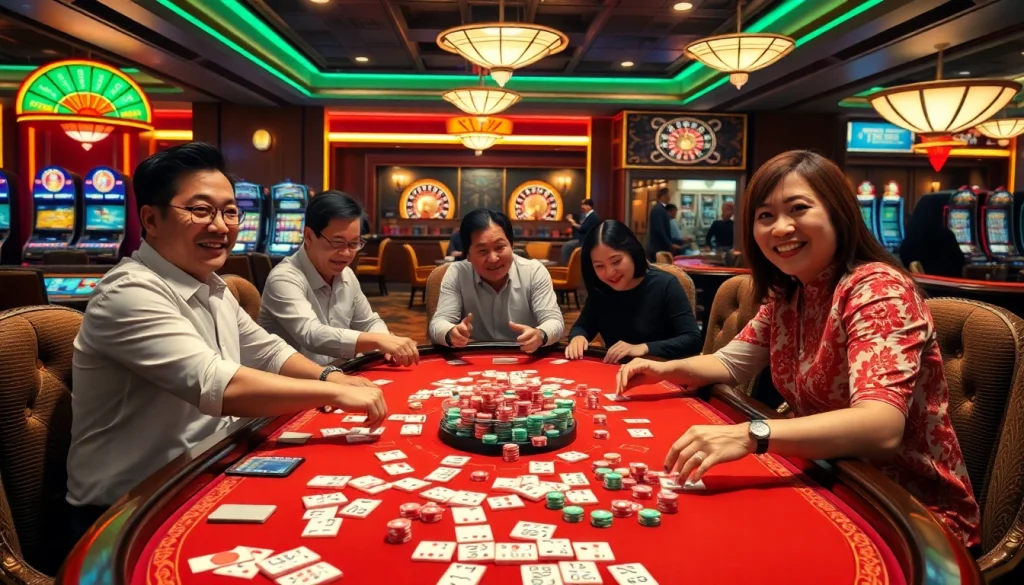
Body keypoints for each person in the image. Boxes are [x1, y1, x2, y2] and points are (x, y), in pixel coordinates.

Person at [617, 150, 979, 547]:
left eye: (798, 208)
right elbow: (730, 362)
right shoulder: (789, 292)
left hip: (909, 514)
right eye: (765, 215)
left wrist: (750, 434)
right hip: (827, 474)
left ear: (839, 212)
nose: (780, 228)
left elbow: (881, 427)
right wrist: (665, 369)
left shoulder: (877, 288)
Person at [67, 142, 387, 542]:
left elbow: (268, 350)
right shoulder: (129, 293)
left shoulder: (212, 285)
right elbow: (220, 384)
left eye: (230, 211)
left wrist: (331, 376)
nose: (221, 226)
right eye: (200, 210)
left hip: (203, 469)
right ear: (151, 218)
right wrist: (332, 392)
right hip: (129, 511)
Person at [259, 191, 419, 366]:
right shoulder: (284, 278)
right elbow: (311, 334)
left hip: (339, 373)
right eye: (337, 242)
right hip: (294, 384)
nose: (346, 254)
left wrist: (385, 342)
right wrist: (377, 340)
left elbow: (368, 322)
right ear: (309, 236)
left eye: (354, 244)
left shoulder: (346, 274)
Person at [565, 220, 701, 364]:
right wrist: (578, 337)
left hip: (660, 372)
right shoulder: (601, 289)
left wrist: (643, 348)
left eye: (616, 261)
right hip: (615, 373)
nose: (609, 272)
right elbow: (582, 326)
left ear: (632, 252)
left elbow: (692, 339)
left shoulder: (665, 284)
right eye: (599, 266)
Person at [429, 209, 563, 353]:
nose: (493, 259)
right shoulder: (457, 273)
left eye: (500, 247)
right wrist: (451, 333)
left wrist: (540, 335)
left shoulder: (533, 271)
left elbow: (554, 321)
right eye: (482, 251)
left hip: (525, 358)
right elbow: (438, 324)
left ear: (512, 246)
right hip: (475, 359)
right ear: (467, 254)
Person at [898, 196, 965, 278]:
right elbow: (960, 263)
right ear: (937, 213)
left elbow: (904, 257)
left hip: (919, 287)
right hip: (945, 287)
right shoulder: (946, 236)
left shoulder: (912, 236)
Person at [561, 198, 600, 264]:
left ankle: (566, 266)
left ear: (589, 206)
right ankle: (569, 265)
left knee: (567, 246)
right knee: (568, 245)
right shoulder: (588, 216)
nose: (581, 207)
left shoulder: (593, 216)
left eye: (583, 205)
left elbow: (582, 228)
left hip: (586, 241)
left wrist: (572, 221)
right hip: (582, 239)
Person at [646, 187, 677, 261]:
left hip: (659, 247)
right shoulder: (658, 209)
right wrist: (669, 244)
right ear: (664, 196)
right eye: (668, 195)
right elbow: (659, 230)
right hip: (658, 248)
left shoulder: (661, 209)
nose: (669, 198)